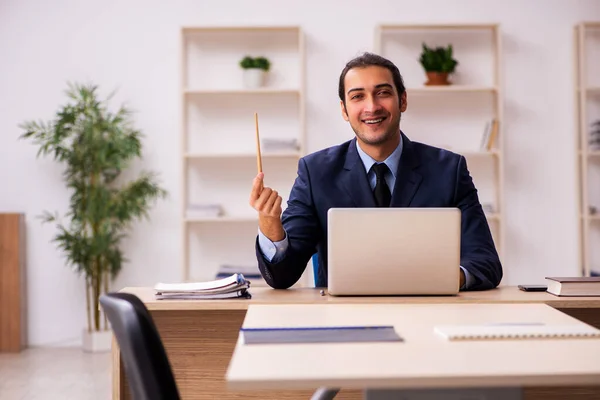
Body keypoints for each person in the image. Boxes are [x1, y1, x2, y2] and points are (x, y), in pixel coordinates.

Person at [249, 52, 502, 291]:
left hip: (429, 314)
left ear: (402, 100)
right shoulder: (315, 173)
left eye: (382, 93)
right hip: (344, 321)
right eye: (357, 96)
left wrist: (440, 279)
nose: (372, 107)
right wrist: (271, 227)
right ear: (344, 110)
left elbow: (485, 263)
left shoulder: (449, 170)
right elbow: (283, 277)